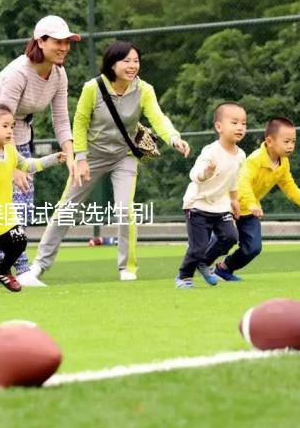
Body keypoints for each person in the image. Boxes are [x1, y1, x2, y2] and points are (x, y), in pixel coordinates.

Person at [30, 41, 190, 282]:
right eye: (126, 61)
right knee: (66, 208)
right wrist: (80, 158)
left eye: (136, 61)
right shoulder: (92, 88)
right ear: (112, 64)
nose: (132, 65)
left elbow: (157, 117)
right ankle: (39, 266)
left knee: (124, 209)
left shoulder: (144, 89)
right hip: (92, 156)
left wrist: (174, 137)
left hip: (124, 156)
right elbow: (80, 122)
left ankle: (128, 268)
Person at [0, 15, 81, 287]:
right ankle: (18, 270)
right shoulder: (18, 73)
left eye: (67, 42)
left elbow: (61, 119)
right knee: (13, 206)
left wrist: (71, 155)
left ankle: (0, 267)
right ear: (40, 41)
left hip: (20, 135)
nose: (64, 47)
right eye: (58, 41)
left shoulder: (58, 74)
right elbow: (0, 120)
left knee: (23, 207)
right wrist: (9, 167)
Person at [0, 102, 65, 295]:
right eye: (5, 126)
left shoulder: (10, 151)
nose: (10, 131)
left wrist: (52, 159)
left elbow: (28, 165)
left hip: (6, 214)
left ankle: (2, 270)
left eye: (12, 126)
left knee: (19, 240)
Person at [213, 117, 300, 282]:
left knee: (253, 248)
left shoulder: (283, 163)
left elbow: (289, 187)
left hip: (251, 210)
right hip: (229, 206)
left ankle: (224, 269)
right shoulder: (255, 159)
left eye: (293, 141)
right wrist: (250, 203)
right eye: (286, 141)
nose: (291, 146)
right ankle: (196, 265)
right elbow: (242, 182)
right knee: (225, 240)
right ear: (269, 141)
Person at [174, 102, 246, 289]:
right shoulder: (211, 151)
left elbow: (233, 179)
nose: (240, 127)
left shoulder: (241, 155)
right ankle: (184, 276)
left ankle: (204, 263)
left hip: (220, 206)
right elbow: (194, 174)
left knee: (230, 237)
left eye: (243, 123)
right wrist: (204, 174)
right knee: (198, 247)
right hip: (197, 205)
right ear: (219, 127)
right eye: (235, 122)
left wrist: (234, 200)